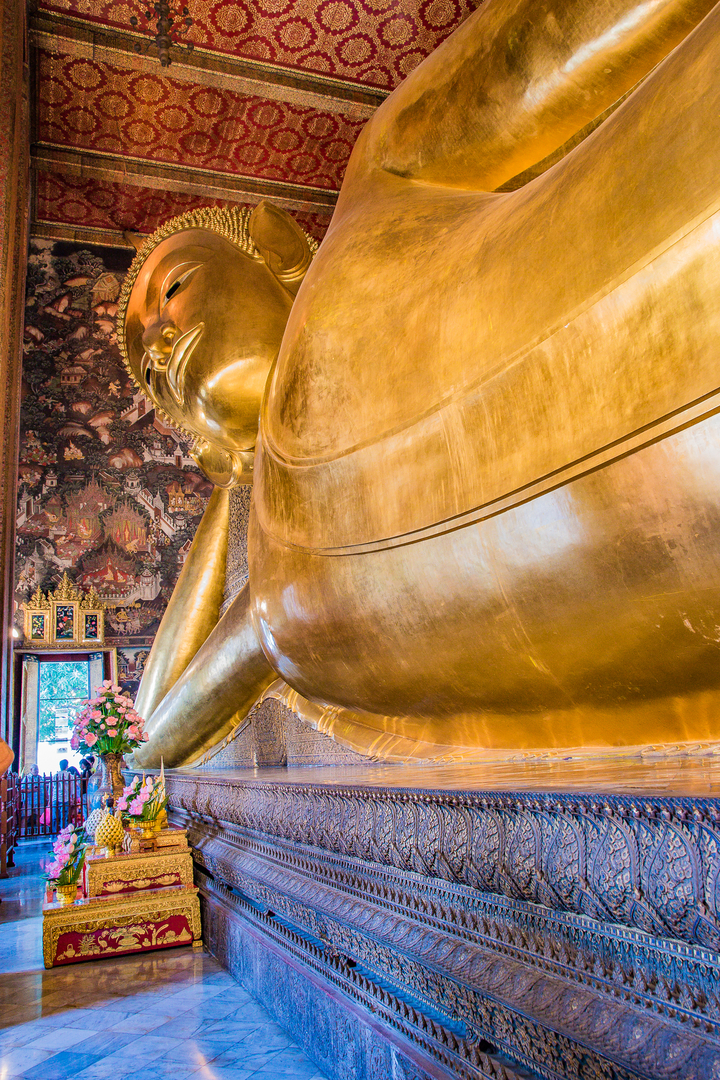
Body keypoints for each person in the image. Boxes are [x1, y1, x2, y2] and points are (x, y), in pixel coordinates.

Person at [122, 0, 720, 767]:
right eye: (148, 369)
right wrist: (230, 477)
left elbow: (553, 45)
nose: (162, 341)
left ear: (272, 251)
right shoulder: (275, 587)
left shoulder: (378, 193)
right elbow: (150, 734)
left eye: (174, 291)